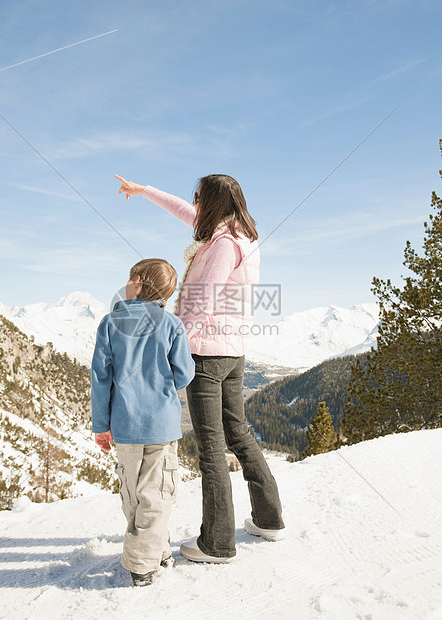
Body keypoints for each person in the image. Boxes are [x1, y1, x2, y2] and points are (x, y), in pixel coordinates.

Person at [114, 174, 285, 564]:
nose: (194, 204)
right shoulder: (238, 235)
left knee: (211, 448)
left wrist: (174, 343)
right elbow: (184, 212)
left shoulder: (223, 245)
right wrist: (144, 192)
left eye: (198, 197)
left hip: (206, 353)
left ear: (214, 201)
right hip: (232, 350)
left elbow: (203, 300)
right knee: (238, 433)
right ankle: (269, 518)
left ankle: (217, 542)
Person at [91, 258, 195, 586]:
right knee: (158, 492)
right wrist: (160, 384)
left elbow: (100, 380)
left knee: (133, 493)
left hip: (124, 426)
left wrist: (100, 426)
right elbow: (184, 373)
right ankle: (141, 564)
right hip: (160, 425)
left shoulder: (110, 323)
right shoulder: (170, 324)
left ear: (137, 281)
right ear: (165, 293)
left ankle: (156, 548)